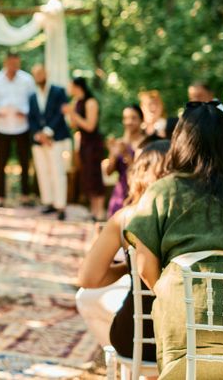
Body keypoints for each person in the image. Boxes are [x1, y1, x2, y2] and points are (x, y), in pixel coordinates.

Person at [126, 102, 223, 379]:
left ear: (180, 142)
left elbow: (144, 267)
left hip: (183, 319)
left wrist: (177, 292)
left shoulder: (163, 191)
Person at [76, 139, 168, 364]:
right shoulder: (194, 218)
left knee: (85, 297)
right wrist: (129, 269)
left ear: (140, 173)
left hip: (135, 337)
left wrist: (130, 268)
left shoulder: (126, 217)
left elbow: (88, 278)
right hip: (184, 339)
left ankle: (128, 371)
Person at [0, 52, 36, 205]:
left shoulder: (27, 80)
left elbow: (34, 102)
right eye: (12, 63)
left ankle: (25, 196)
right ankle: (1, 197)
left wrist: (25, 112)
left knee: (25, 163)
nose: (15, 66)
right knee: (1, 164)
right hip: (2, 127)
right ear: (6, 62)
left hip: (23, 127)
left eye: (17, 63)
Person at [27, 64, 71, 220]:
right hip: (39, 141)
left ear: (46, 73)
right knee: (43, 171)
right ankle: (49, 202)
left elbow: (61, 114)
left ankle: (61, 206)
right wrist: (38, 135)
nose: (38, 76)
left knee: (57, 171)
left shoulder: (58, 91)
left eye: (40, 73)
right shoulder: (32, 96)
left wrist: (47, 132)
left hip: (56, 138)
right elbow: (31, 118)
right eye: (35, 74)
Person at [63, 76, 106, 221]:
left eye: (70, 86)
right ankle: (93, 210)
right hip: (83, 143)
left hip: (93, 143)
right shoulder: (76, 102)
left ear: (77, 86)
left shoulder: (91, 102)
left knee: (95, 176)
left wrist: (73, 113)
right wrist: (70, 115)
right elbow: (74, 126)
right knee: (87, 176)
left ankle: (100, 211)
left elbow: (90, 125)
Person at [105, 105, 145, 217]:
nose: (129, 122)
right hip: (118, 196)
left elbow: (141, 173)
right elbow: (108, 172)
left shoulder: (145, 144)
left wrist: (126, 155)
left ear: (141, 120)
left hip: (137, 196)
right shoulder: (120, 142)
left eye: (133, 118)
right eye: (126, 118)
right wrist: (112, 153)